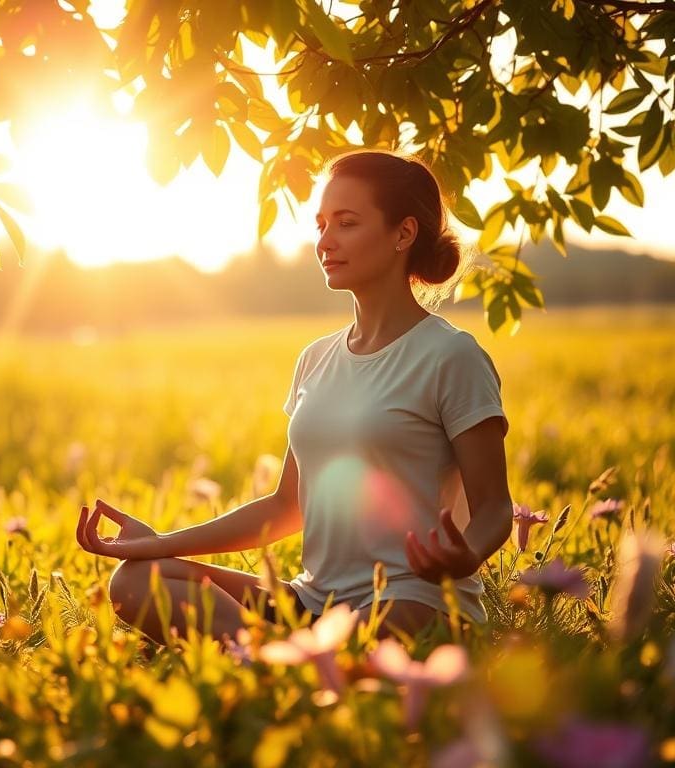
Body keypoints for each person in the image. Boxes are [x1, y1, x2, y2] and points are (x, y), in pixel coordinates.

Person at [75, 149, 513, 646]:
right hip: (312, 601)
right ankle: (287, 662)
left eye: (346, 223)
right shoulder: (316, 359)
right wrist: (156, 545)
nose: (326, 241)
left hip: (410, 600)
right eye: (322, 224)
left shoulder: (451, 356)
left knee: (375, 635)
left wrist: (467, 554)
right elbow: (286, 506)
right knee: (134, 582)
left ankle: (275, 662)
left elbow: (495, 507)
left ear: (403, 233)